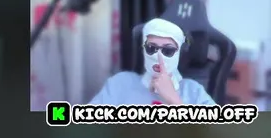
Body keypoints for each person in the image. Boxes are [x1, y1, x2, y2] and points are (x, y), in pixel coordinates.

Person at [88, 17, 217, 106]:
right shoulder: (120, 84)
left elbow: (217, 135)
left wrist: (174, 100)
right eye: (151, 48)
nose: (158, 56)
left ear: (180, 53)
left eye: (168, 50)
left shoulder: (193, 92)